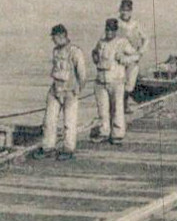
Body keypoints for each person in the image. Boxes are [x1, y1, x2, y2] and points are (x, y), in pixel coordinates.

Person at [32, 24, 89, 161]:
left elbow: (82, 74)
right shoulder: (55, 51)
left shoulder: (75, 52)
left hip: (69, 91)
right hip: (55, 89)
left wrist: (78, 89)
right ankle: (48, 147)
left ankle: (68, 149)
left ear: (62, 36)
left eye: (54, 37)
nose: (53, 40)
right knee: (49, 120)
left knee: (69, 122)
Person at [92, 19, 140, 144]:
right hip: (101, 81)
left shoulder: (122, 43)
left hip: (116, 81)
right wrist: (95, 56)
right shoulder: (101, 42)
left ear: (116, 31)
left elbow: (136, 56)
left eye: (112, 30)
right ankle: (104, 132)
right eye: (107, 29)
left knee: (117, 109)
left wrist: (124, 59)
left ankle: (117, 135)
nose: (109, 32)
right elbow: (95, 53)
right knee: (102, 110)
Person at [115, 0, 148, 105]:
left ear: (131, 11)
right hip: (118, 58)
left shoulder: (135, 24)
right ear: (119, 10)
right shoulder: (116, 24)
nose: (125, 13)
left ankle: (125, 104)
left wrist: (141, 51)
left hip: (132, 57)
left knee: (130, 82)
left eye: (127, 10)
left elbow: (146, 39)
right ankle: (118, 106)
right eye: (123, 10)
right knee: (118, 82)